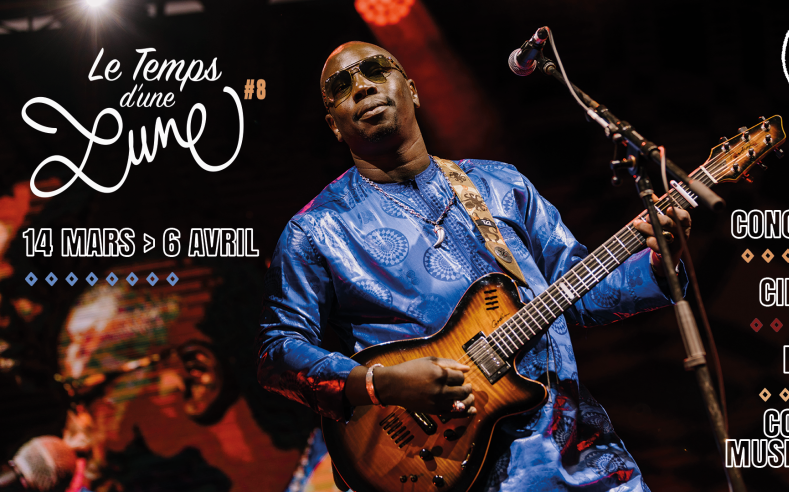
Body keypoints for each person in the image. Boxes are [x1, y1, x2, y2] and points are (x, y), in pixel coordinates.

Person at [257, 41, 692, 492]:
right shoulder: (317, 229)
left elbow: (578, 294)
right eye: (341, 86)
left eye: (376, 70)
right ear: (333, 124)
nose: (363, 86)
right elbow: (277, 352)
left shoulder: (501, 185)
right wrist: (380, 385)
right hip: (446, 469)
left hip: (583, 460)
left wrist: (660, 264)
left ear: (412, 90)